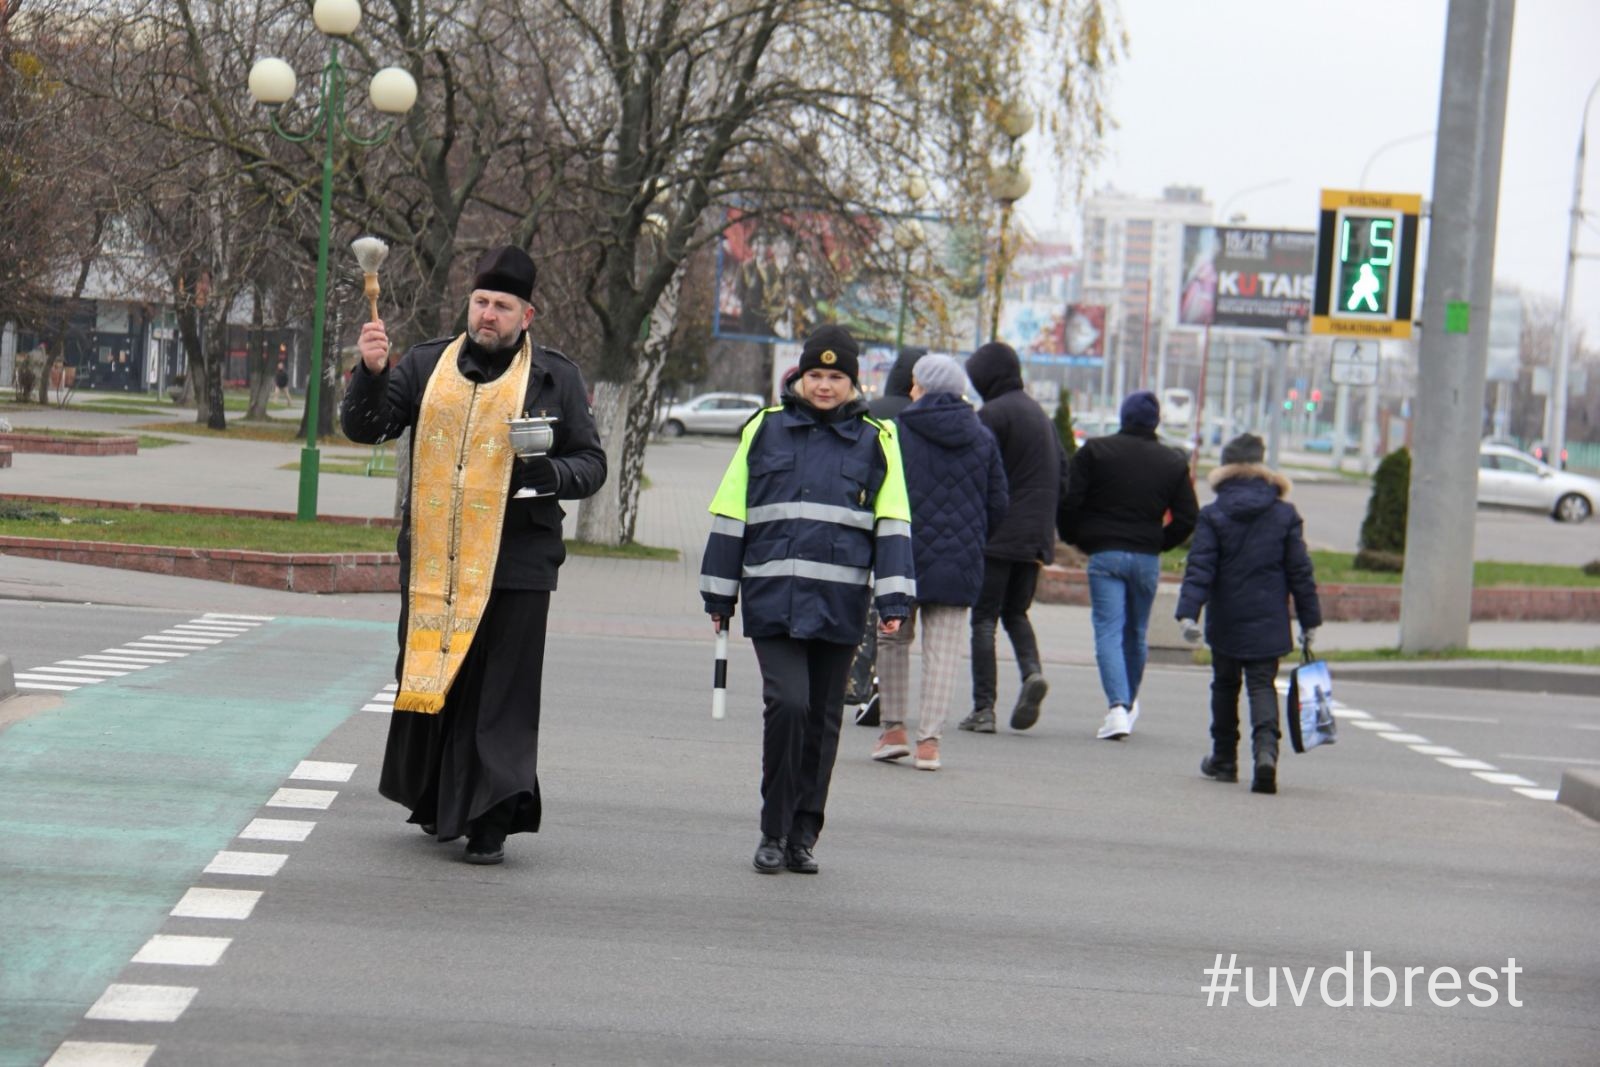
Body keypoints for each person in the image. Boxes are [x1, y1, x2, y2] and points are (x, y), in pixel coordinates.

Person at [340, 245, 606, 865]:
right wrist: (372, 372)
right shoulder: (429, 363)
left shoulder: (554, 377)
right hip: (437, 560)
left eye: (502, 307)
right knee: (441, 681)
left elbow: (591, 464)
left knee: (500, 696)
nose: (488, 316)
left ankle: (490, 820)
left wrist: (545, 475)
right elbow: (368, 427)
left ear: (527, 315)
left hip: (516, 565)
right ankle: (439, 801)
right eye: (481, 302)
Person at [700, 324, 914, 875]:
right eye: (816, 375)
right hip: (772, 600)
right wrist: (720, 593)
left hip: (840, 605)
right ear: (799, 376)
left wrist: (893, 603)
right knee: (789, 705)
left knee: (822, 720)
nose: (824, 385)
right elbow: (731, 513)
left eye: (835, 376)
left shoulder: (877, 439)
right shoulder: (764, 430)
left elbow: (892, 524)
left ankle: (803, 833)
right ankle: (772, 829)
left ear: (852, 381)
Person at [870, 354, 1007, 771]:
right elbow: (999, 502)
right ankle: (929, 744)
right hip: (960, 559)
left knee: (893, 638)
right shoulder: (982, 436)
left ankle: (893, 730)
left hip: (902, 553)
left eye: (915, 383)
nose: (910, 389)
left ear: (924, 387)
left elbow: (877, 489)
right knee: (943, 651)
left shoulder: (896, 432)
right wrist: (973, 536)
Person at [1175, 433, 1321, 794]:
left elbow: (1200, 568)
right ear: (1261, 468)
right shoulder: (1284, 514)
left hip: (1227, 618)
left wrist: (1188, 614)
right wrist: (1309, 620)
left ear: (1225, 470)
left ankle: (1224, 759)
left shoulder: (1213, 514)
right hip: (1269, 618)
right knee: (1261, 685)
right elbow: (1300, 571)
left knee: (1225, 685)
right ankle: (1266, 754)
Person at [1060, 389, 1198, 741]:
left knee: (1107, 630)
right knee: (1136, 633)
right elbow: (1187, 517)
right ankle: (1129, 702)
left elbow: (1071, 500)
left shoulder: (1095, 451)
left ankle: (1118, 707)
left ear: (1123, 417)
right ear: (1156, 421)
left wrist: (1077, 537)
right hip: (1146, 557)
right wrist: (1159, 542)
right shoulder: (1172, 461)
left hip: (1105, 554)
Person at [958, 341, 1065, 735]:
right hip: (1035, 536)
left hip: (999, 534)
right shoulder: (1041, 416)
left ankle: (983, 708)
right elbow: (1063, 475)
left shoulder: (992, 415)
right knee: (1016, 613)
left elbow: (976, 473)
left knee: (983, 618)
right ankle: (1031, 673)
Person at [844, 345, 929, 724]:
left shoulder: (873, 412)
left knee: (869, 608)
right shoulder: (927, 415)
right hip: (916, 525)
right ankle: (883, 688)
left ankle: (858, 681)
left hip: (868, 517)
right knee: (900, 616)